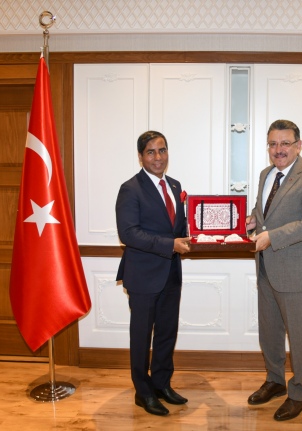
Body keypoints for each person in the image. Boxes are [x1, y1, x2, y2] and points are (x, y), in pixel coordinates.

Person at [245, 119, 302, 421]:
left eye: (285, 143)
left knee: (299, 335)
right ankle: (275, 381)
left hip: (296, 270)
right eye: (273, 144)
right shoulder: (265, 174)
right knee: (269, 331)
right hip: (266, 268)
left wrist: (272, 236)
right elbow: (264, 212)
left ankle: (300, 394)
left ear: (298, 145)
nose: (278, 149)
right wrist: (252, 221)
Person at [115, 130, 191, 416]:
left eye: (162, 150)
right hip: (143, 275)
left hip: (171, 272)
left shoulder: (175, 185)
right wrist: (169, 245)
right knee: (141, 336)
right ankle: (143, 392)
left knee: (167, 333)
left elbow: (180, 227)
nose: (158, 157)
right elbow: (128, 234)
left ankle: (161, 384)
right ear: (140, 156)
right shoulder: (130, 189)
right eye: (151, 152)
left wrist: (207, 232)